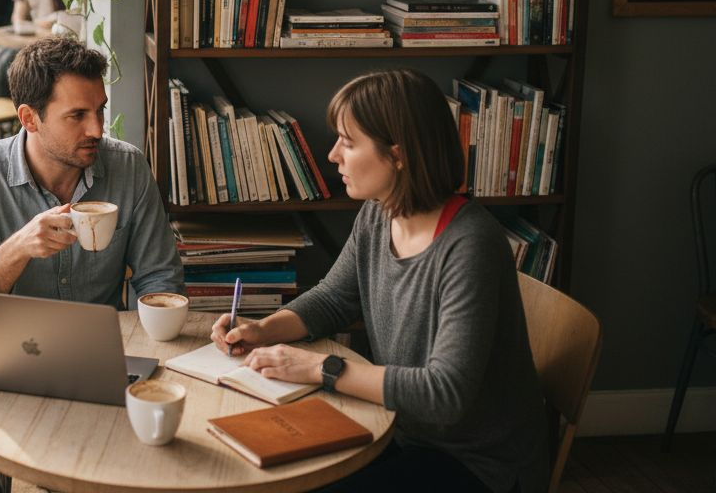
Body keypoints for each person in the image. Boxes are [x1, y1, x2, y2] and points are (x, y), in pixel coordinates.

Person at [210, 68, 548, 493]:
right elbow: (334, 299)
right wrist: (262, 329)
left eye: (348, 143)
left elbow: (445, 393)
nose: (333, 155)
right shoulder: (379, 211)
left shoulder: (469, 245)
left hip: (478, 462)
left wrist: (320, 367)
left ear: (399, 154)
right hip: (401, 430)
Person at [0, 37, 185, 493]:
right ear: (29, 118)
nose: (97, 129)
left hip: (104, 360)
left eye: (100, 110)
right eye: (77, 116)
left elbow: (159, 277)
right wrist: (17, 248)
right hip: (6, 361)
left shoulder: (128, 170)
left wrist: (154, 341)